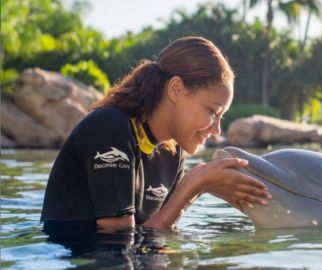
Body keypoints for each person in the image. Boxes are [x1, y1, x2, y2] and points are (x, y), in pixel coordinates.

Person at [41, 36, 272, 233]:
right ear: (176, 89)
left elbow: (156, 238)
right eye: (213, 111)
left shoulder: (172, 152)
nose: (217, 129)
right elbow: (117, 244)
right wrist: (194, 185)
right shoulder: (110, 127)